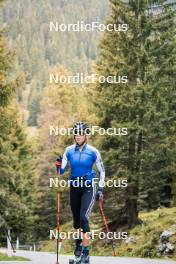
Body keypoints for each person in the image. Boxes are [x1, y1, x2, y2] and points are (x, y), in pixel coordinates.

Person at [56, 122, 105, 264]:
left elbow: (102, 171)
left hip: (88, 187)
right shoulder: (68, 150)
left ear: (86, 135)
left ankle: (86, 252)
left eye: (80, 134)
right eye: (76, 134)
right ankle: (78, 247)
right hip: (74, 188)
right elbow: (61, 170)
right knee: (76, 220)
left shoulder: (93, 151)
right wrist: (58, 165)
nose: (78, 136)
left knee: (84, 217)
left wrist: (100, 188)